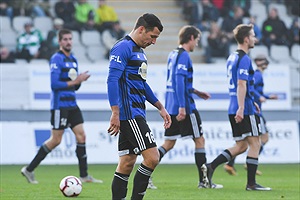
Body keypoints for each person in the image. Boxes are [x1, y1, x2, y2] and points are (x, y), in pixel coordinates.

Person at [21, 29, 102, 185]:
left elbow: (75, 86)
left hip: (72, 104)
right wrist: (76, 80)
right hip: (60, 106)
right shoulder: (56, 59)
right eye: (65, 39)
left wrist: (79, 81)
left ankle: (84, 176)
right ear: (59, 42)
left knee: (81, 136)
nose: (68, 42)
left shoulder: (73, 59)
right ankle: (29, 169)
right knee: (56, 140)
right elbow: (54, 84)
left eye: (70, 39)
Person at [148, 25, 223, 190]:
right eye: (196, 39)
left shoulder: (173, 54)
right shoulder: (184, 56)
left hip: (171, 105)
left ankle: (145, 175)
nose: (197, 43)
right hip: (185, 107)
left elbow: (176, 81)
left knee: (168, 143)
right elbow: (179, 81)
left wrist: (196, 91)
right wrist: (183, 106)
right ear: (190, 38)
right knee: (199, 140)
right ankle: (204, 181)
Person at [107, 13, 171, 200]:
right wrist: (115, 112)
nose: (154, 42)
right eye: (153, 37)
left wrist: (160, 106)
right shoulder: (122, 48)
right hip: (129, 114)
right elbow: (112, 80)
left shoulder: (140, 52)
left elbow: (141, 84)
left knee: (126, 163)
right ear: (141, 29)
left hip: (137, 112)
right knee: (152, 158)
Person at [201, 24, 272, 191]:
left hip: (233, 106)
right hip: (243, 109)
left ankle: (210, 166)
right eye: (253, 36)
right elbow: (241, 83)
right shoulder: (244, 59)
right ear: (246, 39)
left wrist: (249, 100)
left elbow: (240, 85)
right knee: (255, 144)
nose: (255, 38)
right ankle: (251, 184)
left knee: (241, 146)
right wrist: (243, 106)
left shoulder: (232, 57)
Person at [223, 55, 278, 176]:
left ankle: (230, 163)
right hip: (254, 111)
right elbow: (249, 88)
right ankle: (250, 163)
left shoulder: (257, 74)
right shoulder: (258, 74)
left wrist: (268, 97)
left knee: (244, 142)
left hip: (253, 110)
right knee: (262, 138)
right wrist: (260, 97)